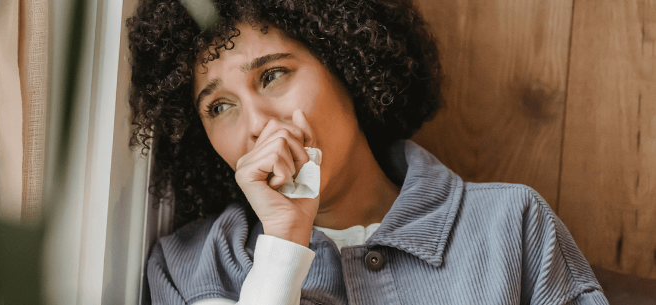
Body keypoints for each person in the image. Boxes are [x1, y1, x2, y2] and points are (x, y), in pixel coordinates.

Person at [126, 0, 607, 304]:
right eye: (219, 106)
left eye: (272, 75)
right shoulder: (192, 266)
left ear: (345, 66)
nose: (257, 125)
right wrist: (283, 247)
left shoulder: (513, 224)